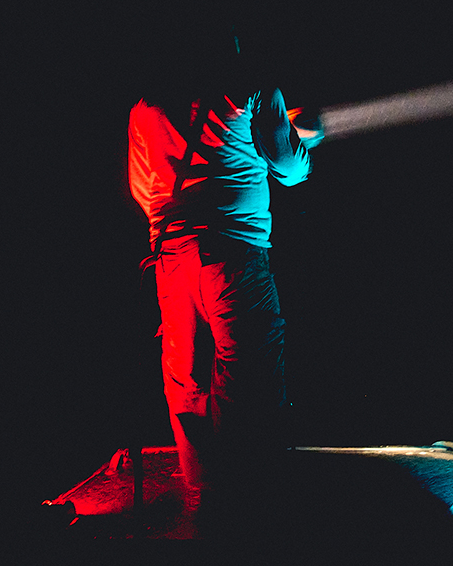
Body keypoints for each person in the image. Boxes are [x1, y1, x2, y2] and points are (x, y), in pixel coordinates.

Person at [128, 45, 322, 529]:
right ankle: (247, 502)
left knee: (185, 375)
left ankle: (202, 496)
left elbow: (141, 187)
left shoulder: (145, 104)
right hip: (234, 255)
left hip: (170, 259)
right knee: (248, 372)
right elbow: (291, 169)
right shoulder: (252, 86)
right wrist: (305, 139)